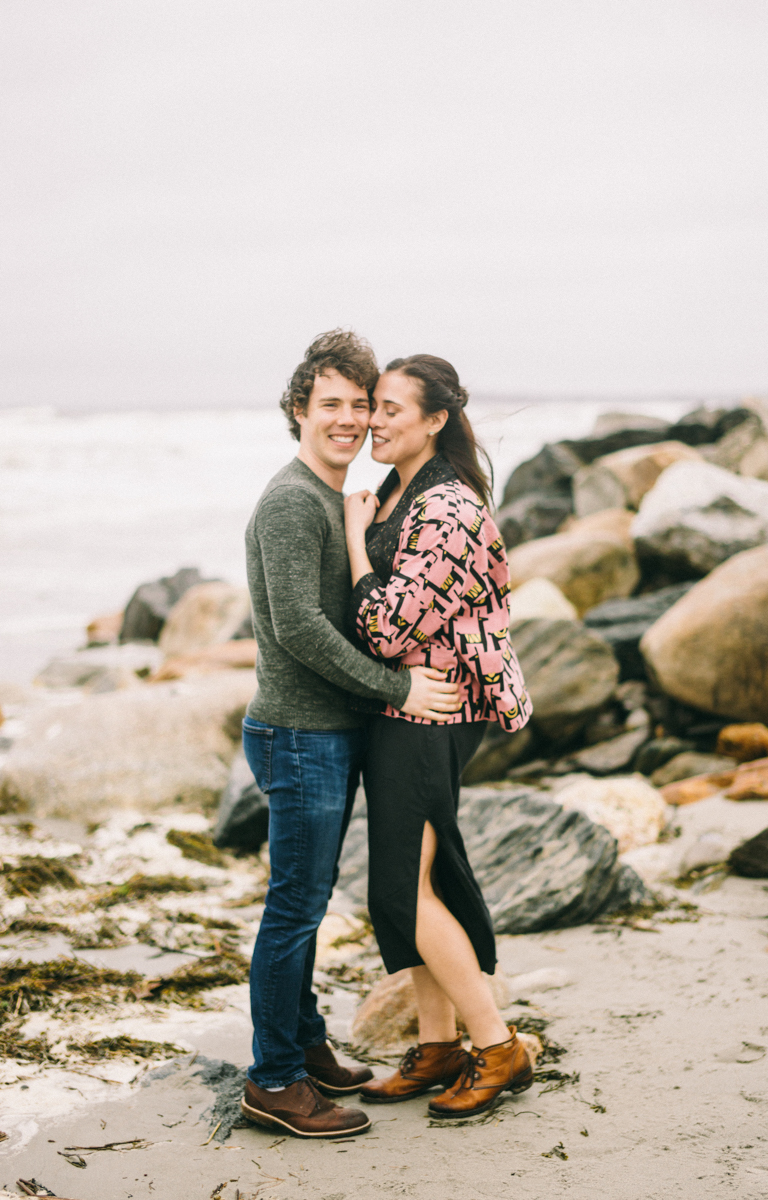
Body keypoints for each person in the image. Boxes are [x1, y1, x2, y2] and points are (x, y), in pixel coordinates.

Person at [239, 331, 462, 1140]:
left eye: (360, 404)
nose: (348, 418)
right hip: (299, 734)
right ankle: (272, 1081)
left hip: (322, 733)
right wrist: (397, 686)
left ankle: (302, 1046)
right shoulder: (293, 501)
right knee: (294, 910)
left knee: (303, 901)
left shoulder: (332, 498)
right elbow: (300, 628)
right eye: (329, 403)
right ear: (299, 409)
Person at [343, 354, 534, 1119]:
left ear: (435, 421)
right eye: (372, 406)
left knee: (400, 888)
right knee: (411, 887)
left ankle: (497, 1047)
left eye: (390, 408)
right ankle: (439, 1045)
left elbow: (390, 628)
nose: (374, 421)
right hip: (405, 710)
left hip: (437, 711)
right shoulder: (400, 490)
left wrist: (356, 537)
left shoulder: (448, 507)